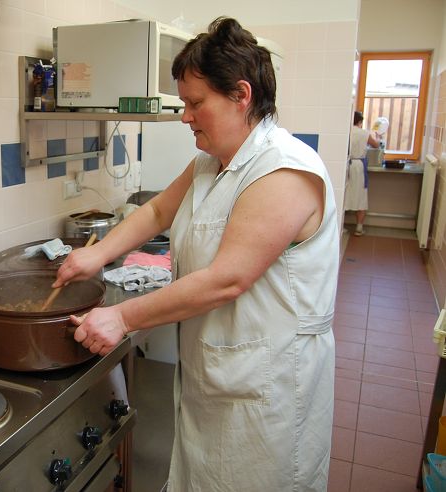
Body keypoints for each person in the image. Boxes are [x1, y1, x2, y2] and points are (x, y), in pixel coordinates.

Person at [53, 16, 339, 491]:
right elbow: (158, 210)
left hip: (268, 388)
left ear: (241, 95)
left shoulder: (283, 170)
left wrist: (122, 318)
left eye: (195, 103)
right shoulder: (212, 161)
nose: (184, 116)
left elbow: (227, 279)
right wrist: (96, 254)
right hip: (220, 376)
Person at [345, 111, 380, 236]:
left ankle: (340, 225)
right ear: (360, 122)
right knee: (361, 195)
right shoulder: (364, 133)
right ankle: (359, 227)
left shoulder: (346, 131)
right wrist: (378, 136)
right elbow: (376, 145)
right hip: (359, 165)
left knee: (345, 193)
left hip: (347, 164)